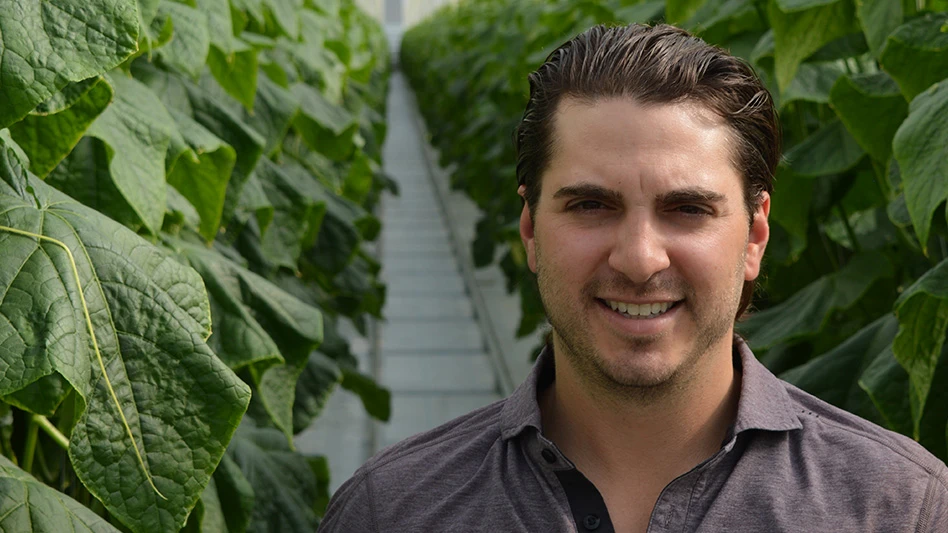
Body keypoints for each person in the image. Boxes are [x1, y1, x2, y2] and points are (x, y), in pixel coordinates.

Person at [318, 23, 948, 532]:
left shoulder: (898, 510)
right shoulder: (391, 512)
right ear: (531, 229)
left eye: (687, 209)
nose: (640, 259)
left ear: (756, 234)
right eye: (591, 205)